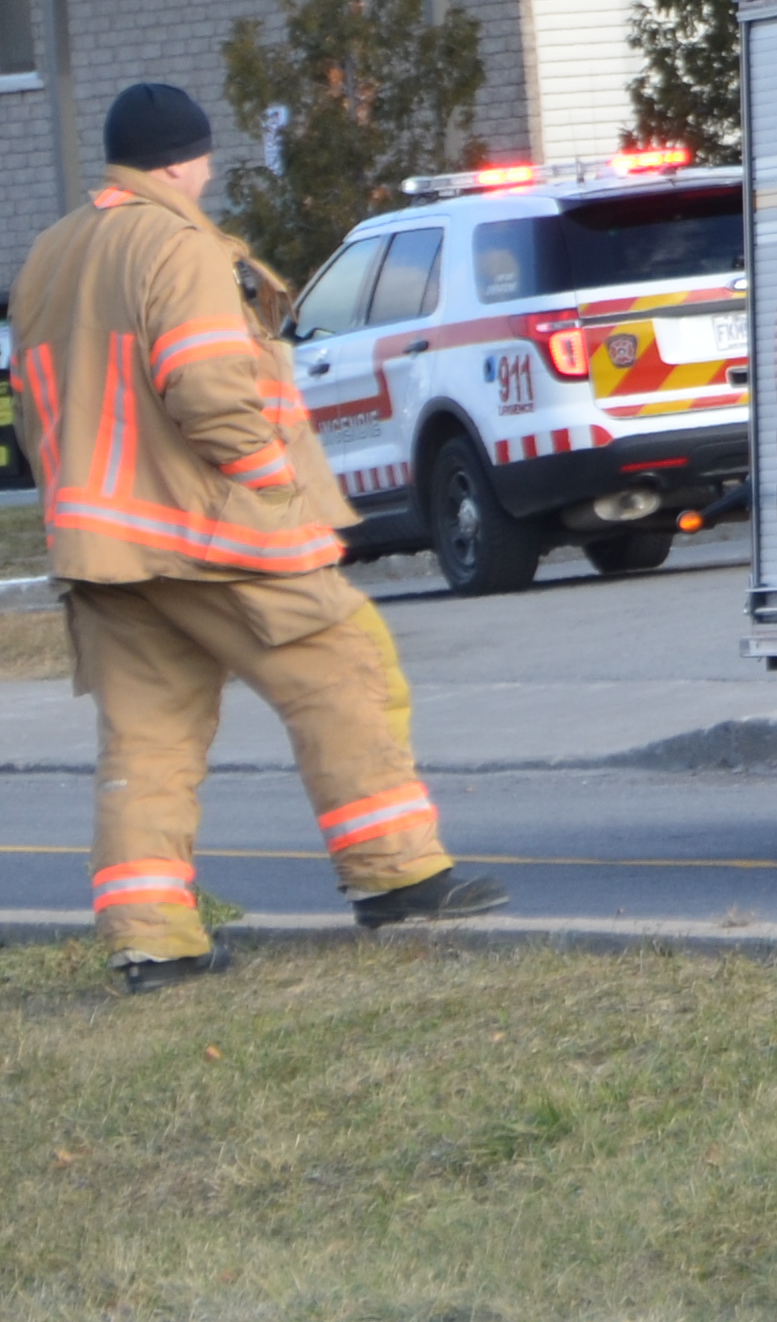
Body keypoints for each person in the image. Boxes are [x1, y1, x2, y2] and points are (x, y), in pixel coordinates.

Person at [13, 83, 507, 992]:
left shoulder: (53, 253)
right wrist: (272, 480)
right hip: (207, 532)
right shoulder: (177, 244)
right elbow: (206, 386)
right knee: (346, 670)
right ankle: (396, 875)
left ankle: (153, 943)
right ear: (185, 159)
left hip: (101, 548)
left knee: (147, 744)